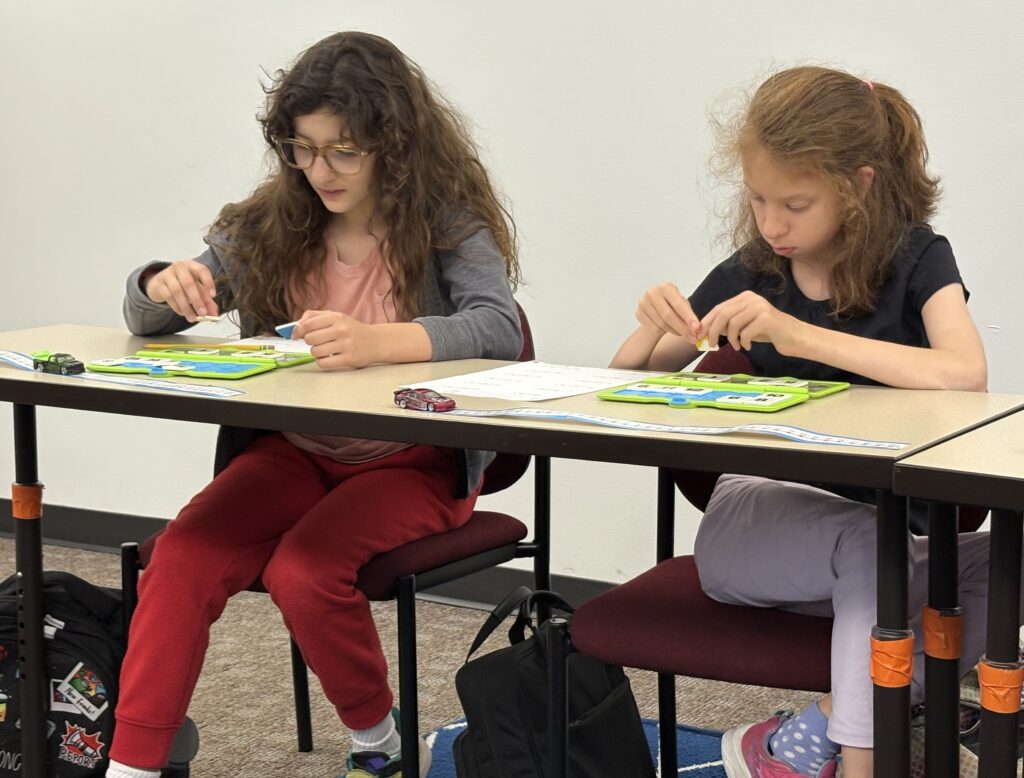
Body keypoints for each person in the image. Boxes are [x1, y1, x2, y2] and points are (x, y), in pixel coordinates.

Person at [114, 31, 522, 778]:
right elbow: (148, 319)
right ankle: (132, 765)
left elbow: (498, 327)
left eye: (344, 151)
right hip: (294, 453)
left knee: (306, 570)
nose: (319, 171)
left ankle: (379, 739)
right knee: (181, 557)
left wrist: (380, 342)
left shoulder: (447, 223)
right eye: (302, 149)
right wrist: (159, 286)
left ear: (394, 146)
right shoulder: (274, 220)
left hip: (414, 463)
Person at [611, 66, 996, 777]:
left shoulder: (916, 257)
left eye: (795, 202)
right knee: (870, 548)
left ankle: (812, 731)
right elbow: (625, 380)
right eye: (757, 200)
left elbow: (965, 372)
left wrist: (800, 338)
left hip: (880, 536)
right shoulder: (756, 267)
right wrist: (646, 327)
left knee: (1005, 562)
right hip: (753, 526)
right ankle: (864, 762)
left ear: (859, 185)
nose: (771, 224)